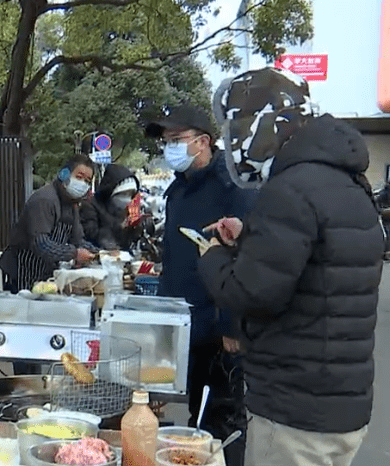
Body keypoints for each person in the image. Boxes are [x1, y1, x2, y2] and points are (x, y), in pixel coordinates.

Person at [198, 67, 383, 466]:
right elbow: (320, 265)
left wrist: (212, 255)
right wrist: (250, 239)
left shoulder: (289, 189)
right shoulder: (347, 181)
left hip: (293, 408)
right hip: (342, 403)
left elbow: (252, 293)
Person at [145, 104, 256, 466]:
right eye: (166, 141)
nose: (169, 148)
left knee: (221, 421)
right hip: (183, 323)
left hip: (219, 326)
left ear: (203, 142)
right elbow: (174, 259)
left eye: (176, 139)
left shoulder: (232, 186)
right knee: (197, 416)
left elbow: (249, 258)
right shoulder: (180, 188)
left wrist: (232, 322)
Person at [0, 154, 98, 293]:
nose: (82, 184)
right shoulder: (45, 200)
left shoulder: (71, 205)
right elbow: (41, 244)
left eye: (87, 181)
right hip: (22, 271)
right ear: (64, 174)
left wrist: (99, 253)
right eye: (79, 177)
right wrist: (74, 253)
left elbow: (77, 240)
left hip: (46, 273)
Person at [81, 164, 152, 251]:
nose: (127, 199)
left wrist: (133, 230)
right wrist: (119, 227)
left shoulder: (121, 209)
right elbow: (91, 234)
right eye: (124, 194)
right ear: (111, 191)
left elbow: (124, 242)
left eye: (131, 194)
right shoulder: (90, 205)